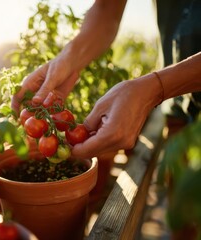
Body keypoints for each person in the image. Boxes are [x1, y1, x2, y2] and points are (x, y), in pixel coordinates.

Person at [11, 0, 201, 159]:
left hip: (175, 99)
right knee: (180, 197)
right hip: (178, 114)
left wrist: (156, 88)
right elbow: (107, 9)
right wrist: (68, 59)